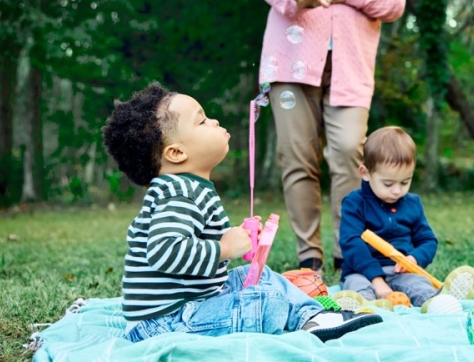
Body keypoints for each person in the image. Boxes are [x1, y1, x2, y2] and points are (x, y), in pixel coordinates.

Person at [101, 82, 383, 343]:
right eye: (202, 121)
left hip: (190, 307)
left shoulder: (187, 187)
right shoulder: (179, 192)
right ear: (176, 153)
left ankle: (315, 318)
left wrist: (235, 238)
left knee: (261, 276)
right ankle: (307, 320)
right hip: (166, 323)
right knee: (266, 301)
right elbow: (164, 251)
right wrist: (224, 247)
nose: (214, 121)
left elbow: (193, 241)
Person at [258, 0, 406, 272]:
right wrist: (297, 0)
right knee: (297, 157)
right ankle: (309, 255)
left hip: (352, 68)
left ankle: (348, 252)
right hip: (291, 64)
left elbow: (395, 0)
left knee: (346, 153)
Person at [335, 126, 474, 308]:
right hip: (361, 271)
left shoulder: (412, 204)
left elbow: (428, 240)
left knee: (420, 286)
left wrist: (414, 258)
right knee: (358, 287)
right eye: (388, 183)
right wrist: (377, 280)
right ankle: (366, 309)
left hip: (401, 272)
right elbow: (351, 243)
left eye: (405, 182)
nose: (397, 191)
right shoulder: (355, 203)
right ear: (365, 173)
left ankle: (441, 301)